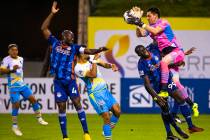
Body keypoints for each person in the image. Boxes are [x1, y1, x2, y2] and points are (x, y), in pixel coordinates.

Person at [41, 1, 108, 140]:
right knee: (61, 108)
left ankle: (86, 133)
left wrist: (100, 49)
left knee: (77, 103)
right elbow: (44, 28)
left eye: (72, 37)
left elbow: (88, 50)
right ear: (64, 37)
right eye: (70, 36)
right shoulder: (54, 42)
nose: (72, 38)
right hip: (58, 82)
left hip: (70, 81)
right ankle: (65, 137)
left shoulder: (75, 48)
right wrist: (52, 14)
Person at [135, 45, 204, 139]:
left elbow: (167, 60)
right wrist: (156, 96)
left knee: (181, 98)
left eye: (143, 49)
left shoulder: (155, 51)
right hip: (157, 87)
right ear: (139, 55)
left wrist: (181, 57)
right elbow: (147, 84)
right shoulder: (141, 64)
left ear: (145, 48)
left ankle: (191, 126)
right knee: (165, 109)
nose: (143, 51)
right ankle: (171, 133)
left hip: (167, 80)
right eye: (140, 52)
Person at [127, 7, 186, 96]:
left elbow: (155, 31)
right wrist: (137, 21)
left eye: (149, 16)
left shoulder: (163, 22)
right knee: (176, 86)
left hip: (177, 51)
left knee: (164, 63)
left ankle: (164, 90)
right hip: (168, 55)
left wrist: (140, 22)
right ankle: (187, 103)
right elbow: (140, 34)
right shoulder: (150, 27)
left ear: (155, 15)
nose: (147, 18)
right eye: (146, 16)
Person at [0, 44, 48, 136]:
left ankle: (39, 118)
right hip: (13, 86)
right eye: (12, 50)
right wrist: (11, 70)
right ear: (9, 51)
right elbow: (1, 71)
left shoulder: (21, 59)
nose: (14, 51)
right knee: (16, 105)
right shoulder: (6, 60)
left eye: (16, 50)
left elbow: (20, 72)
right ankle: (14, 126)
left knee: (33, 99)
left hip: (22, 85)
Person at [74, 53, 120, 140]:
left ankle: (107, 130)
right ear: (80, 55)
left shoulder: (91, 58)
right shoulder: (78, 68)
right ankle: (108, 137)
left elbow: (104, 64)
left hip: (105, 90)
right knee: (106, 117)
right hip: (95, 94)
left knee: (117, 111)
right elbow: (93, 74)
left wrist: (111, 65)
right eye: (85, 52)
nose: (87, 53)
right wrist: (94, 60)